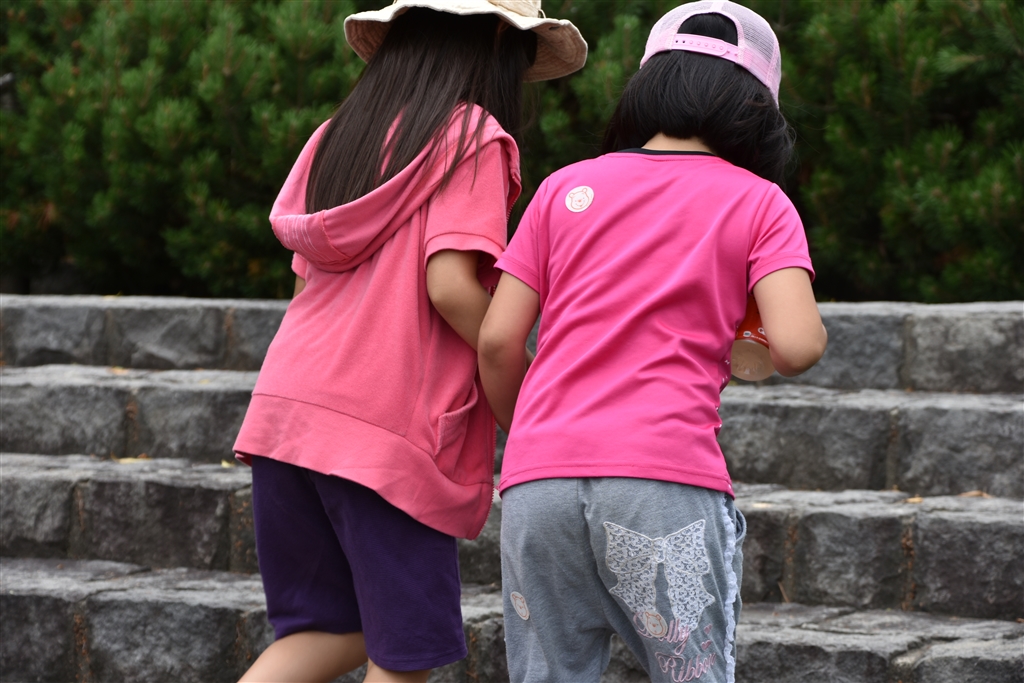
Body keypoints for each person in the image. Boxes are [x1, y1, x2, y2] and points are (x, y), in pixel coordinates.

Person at [232, 2, 585, 681]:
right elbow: (449, 286)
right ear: (496, 38)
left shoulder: (339, 133)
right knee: (404, 658)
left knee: (329, 632)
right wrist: (527, 378)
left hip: (287, 412)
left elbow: (305, 283)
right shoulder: (473, 135)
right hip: (385, 430)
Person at [477, 2, 827, 682]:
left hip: (538, 483)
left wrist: (536, 436)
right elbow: (797, 344)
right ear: (758, 106)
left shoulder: (564, 187)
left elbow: (496, 341)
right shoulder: (760, 202)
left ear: (649, 84)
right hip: (663, 480)